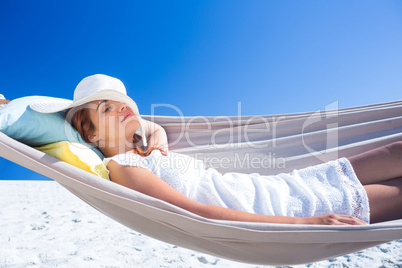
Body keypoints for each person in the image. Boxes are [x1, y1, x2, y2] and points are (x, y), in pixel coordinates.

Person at [32, 74, 402, 226]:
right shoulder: (122, 169)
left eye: (123, 100)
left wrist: (146, 130)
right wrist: (308, 223)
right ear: (91, 136)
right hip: (289, 210)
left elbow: (151, 126)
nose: (122, 106)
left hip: (291, 183)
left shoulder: (149, 146)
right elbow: (198, 212)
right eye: (106, 108)